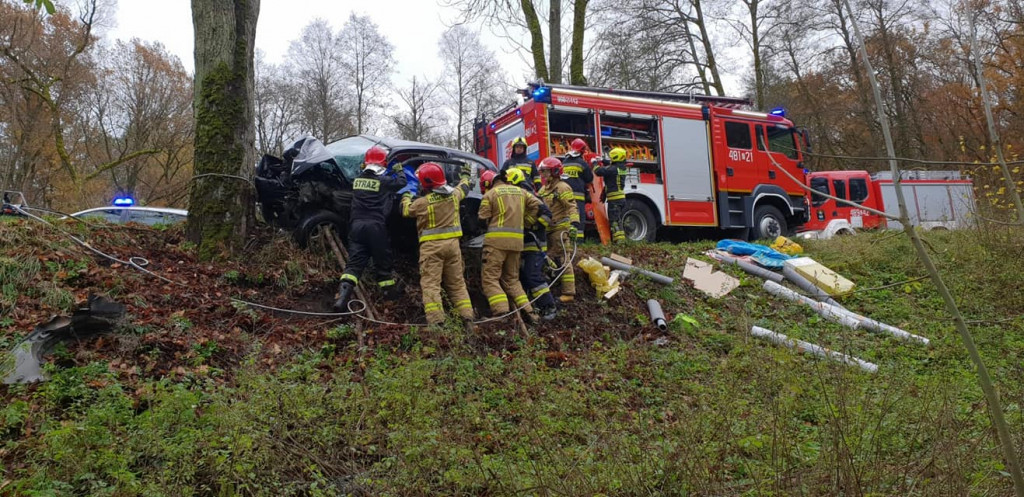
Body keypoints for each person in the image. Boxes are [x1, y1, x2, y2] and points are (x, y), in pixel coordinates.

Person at [400, 162, 476, 327]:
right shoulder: (454, 195)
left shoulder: (422, 202)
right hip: (453, 246)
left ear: (426, 183)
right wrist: (465, 175)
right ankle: (468, 320)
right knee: (457, 284)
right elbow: (464, 187)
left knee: (431, 285)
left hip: (432, 248)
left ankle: (437, 324)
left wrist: (406, 195)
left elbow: (406, 210)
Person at [333, 145, 407, 311]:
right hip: (375, 226)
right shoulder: (382, 181)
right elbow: (402, 183)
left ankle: (342, 299)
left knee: (354, 264)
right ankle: (390, 298)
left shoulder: (358, 180)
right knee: (383, 262)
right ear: (382, 163)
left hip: (356, 226)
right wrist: (399, 169)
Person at [478, 168, 543, 320]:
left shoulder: (490, 194)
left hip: (495, 244)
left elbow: (482, 218)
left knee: (490, 279)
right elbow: (538, 206)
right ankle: (531, 313)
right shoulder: (521, 192)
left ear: (487, 183)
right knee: (512, 280)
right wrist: (527, 223)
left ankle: (501, 313)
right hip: (517, 243)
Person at [512, 167, 558, 321]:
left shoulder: (529, 195)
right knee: (525, 275)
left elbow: (547, 214)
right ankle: (535, 306)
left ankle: (549, 306)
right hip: (524, 243)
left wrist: (534, 226)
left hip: (535, 242)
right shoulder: (519, 195)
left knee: (533, 275)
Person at [537, 157, 579, 302]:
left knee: (563, 258)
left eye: (546, 171)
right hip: (547, 230)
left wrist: (574, 225)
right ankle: (553, 285)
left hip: (560, 229)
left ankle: (569, 292)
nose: (543, 174)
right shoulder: (543, 189)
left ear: (555, 171)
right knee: (547, 257)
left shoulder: (562, 187)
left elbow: (571, 206)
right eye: (542, 171)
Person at [594, 147, 629, 243]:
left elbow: (598, 171)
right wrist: (603, 161)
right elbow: (609, 170)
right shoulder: (621, 168)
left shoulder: (613, 169)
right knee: (618, 220)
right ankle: (620, 241)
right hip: (620, 199)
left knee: (614, 222)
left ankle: (619, 242)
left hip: (614, 201)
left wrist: (594, 164)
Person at [561, 138, 593, 243]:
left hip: (564, 197)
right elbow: (589, 178)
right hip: (578, 198)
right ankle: (578, 243)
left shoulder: (563, 162)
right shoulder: (581, 163)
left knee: (567, 218)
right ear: (582, 150)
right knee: (578, 219)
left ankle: (567, 241)